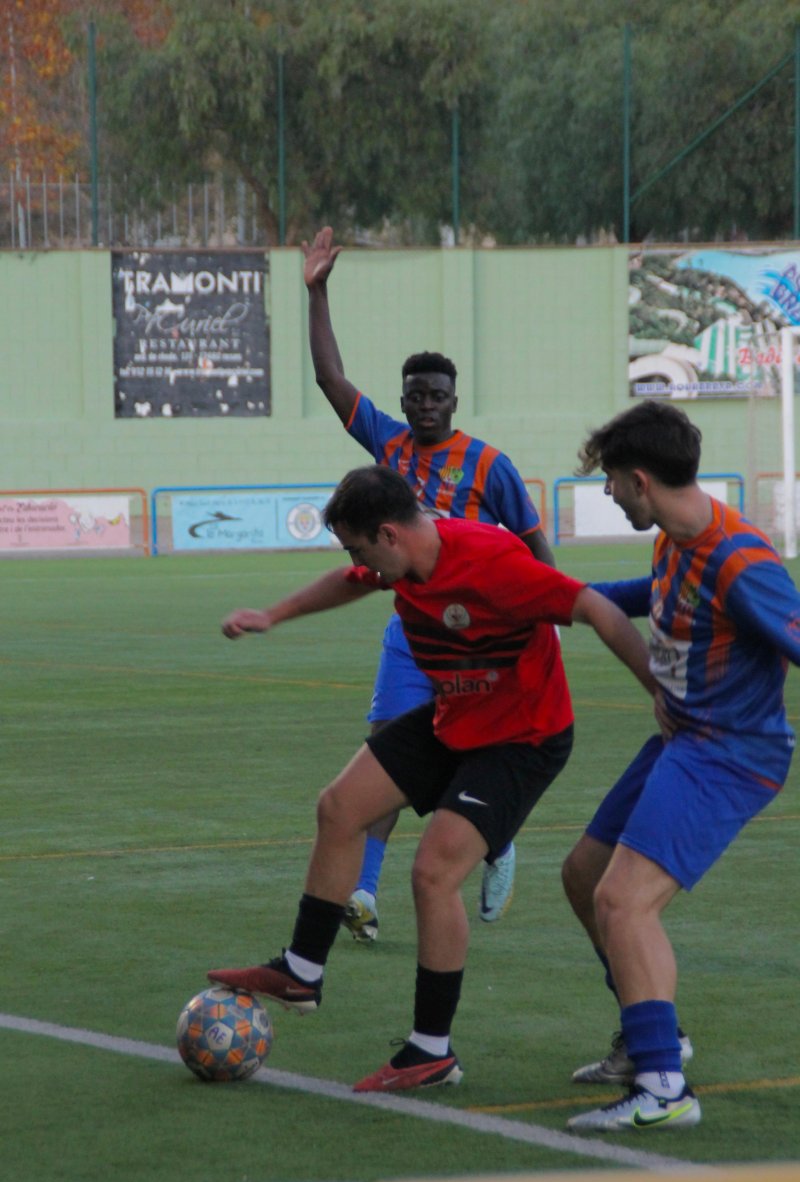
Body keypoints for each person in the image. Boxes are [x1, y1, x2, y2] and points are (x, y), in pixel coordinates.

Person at [209, 464, 656, 1092]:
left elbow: (596, 608)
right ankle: (301, 972)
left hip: (523, 739)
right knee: (340, 807)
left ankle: (430, 1051)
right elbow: (349, 580)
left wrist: (660, 696)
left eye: (359, 545)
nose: (356, 558)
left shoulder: (493, 560)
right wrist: (272, 615)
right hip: (456, 718)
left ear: (389, 534)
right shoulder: (403, 559)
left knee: (433, 872)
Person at [301, 226, 555, 941]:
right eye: (414, 395)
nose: (424, 406)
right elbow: (330, 379)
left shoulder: (488, 465)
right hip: (411, 631)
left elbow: (534, 544)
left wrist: (544, 609)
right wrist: (317, 293)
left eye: (436, 396)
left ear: (453, 398)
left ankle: (496, 840)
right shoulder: (387, 446)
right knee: (387, 746)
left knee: (468, 756)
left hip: (480, 641)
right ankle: (366, 894)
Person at [562, 400, 800, 1133]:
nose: (606, 493)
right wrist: (566, 599)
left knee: (623, 902)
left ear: (640, 481)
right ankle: (649, 1042)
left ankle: (664, 1089)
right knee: (583, 877)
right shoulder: (675, 536)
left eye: (610, 482)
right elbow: (659, 599)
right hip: (682, 740)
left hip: (729, 753)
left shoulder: (741, 560)